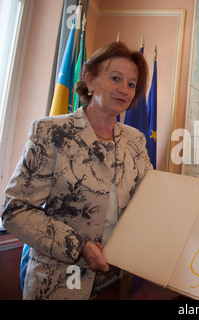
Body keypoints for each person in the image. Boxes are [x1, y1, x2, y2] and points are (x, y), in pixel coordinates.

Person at [1, 41, 152, 299]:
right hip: (60, 280)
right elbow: (16, 211)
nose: (124, 89)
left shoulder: (136, 140)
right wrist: (79, 246)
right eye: (116, 78)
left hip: (117, 279)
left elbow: (149, 198)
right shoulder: (52, 132)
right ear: (90, 80)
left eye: (131, 83)